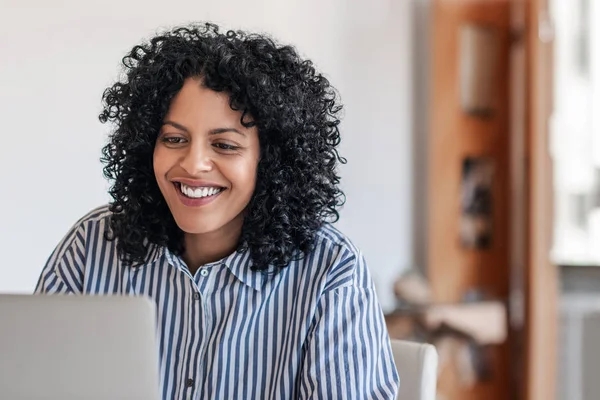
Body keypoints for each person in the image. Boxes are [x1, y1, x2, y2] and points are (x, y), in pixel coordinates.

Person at [35, 22, 400, 399]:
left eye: (224, 145)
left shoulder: (330, 271)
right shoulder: (92, 247)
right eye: (174, 139)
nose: (193, 165)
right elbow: (30, 382)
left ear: (270, 160)